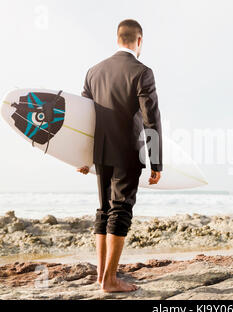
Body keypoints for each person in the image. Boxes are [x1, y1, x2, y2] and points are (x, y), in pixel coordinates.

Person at [77, 19, 163, 293]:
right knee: (121, 211)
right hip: (127, 151)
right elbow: (152, 119)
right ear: (139, 41)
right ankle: (110, 281)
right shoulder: (142, 72)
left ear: (118, 39)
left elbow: (83, 119)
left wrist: (81, 157)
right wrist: (156, 161)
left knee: (104, 211)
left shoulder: (93, 72)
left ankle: (103, 276)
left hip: (100, 152)